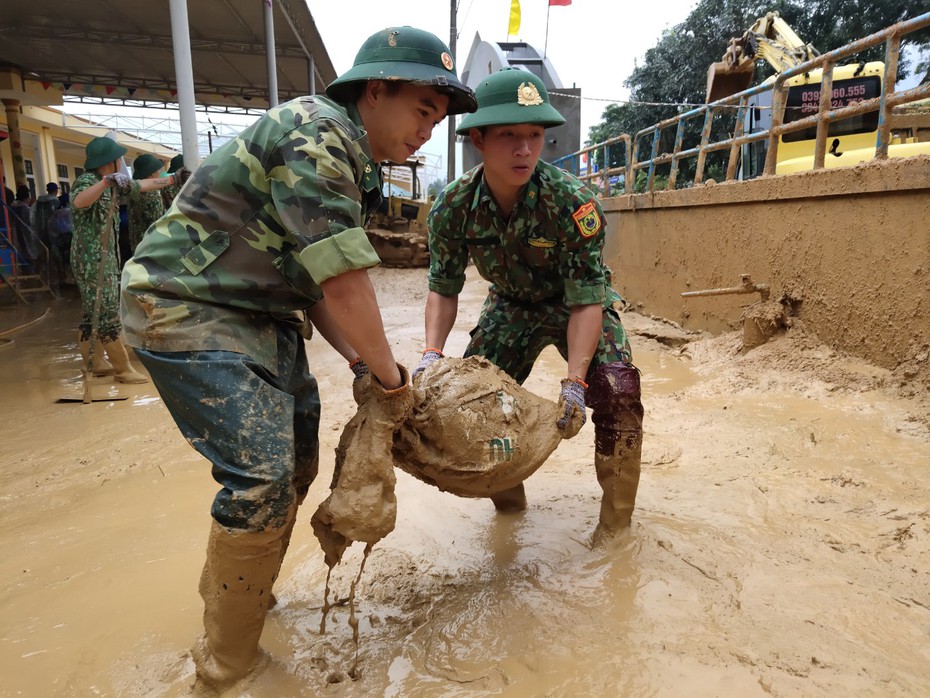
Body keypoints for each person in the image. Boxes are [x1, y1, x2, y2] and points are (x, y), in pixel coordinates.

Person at [120, 26, 476, 690]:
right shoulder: (319, 134)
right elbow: (345, 280)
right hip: (182, 305)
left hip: (259, 313)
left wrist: (363, 365)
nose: (431, 130)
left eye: (439, 119)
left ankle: (240, 601)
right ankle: (228, 663)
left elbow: (315, 283)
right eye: (423, 110)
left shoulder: (358, 163)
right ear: (376, 91)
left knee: (297, 464)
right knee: (261, 477)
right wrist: (396, 384)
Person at [415, 68, 644, 539]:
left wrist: (576, 382)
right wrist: (432, 356)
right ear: (478, 138)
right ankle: (509, 508)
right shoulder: (452, 207)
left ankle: (616, 528)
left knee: (619, 393)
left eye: (535, 135)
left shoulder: (572, 203)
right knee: (478, 406)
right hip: (510, 304)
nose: (524, 149)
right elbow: (444, 286)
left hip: (574, 302)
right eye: (509, 136)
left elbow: (586, 298)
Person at [71, 137, 186, 382]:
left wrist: (173, 180)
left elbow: (142, 185)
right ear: (108, 162)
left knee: (94, 312)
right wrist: (104, 183)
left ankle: (95, 362)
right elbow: (79, 202)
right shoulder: (87, 181)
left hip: (106, 257)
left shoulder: (117, 184)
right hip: (90, 260)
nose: (120, 164)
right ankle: (122, 369)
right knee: (108, 313)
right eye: (117, 160)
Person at [127, 153, 165, 254]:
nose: (159, 173)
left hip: (137, 246)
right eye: (158, 170)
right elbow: (157, 224)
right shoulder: (152, 195)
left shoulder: (135, 192)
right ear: (152, 173)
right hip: (152, 249)